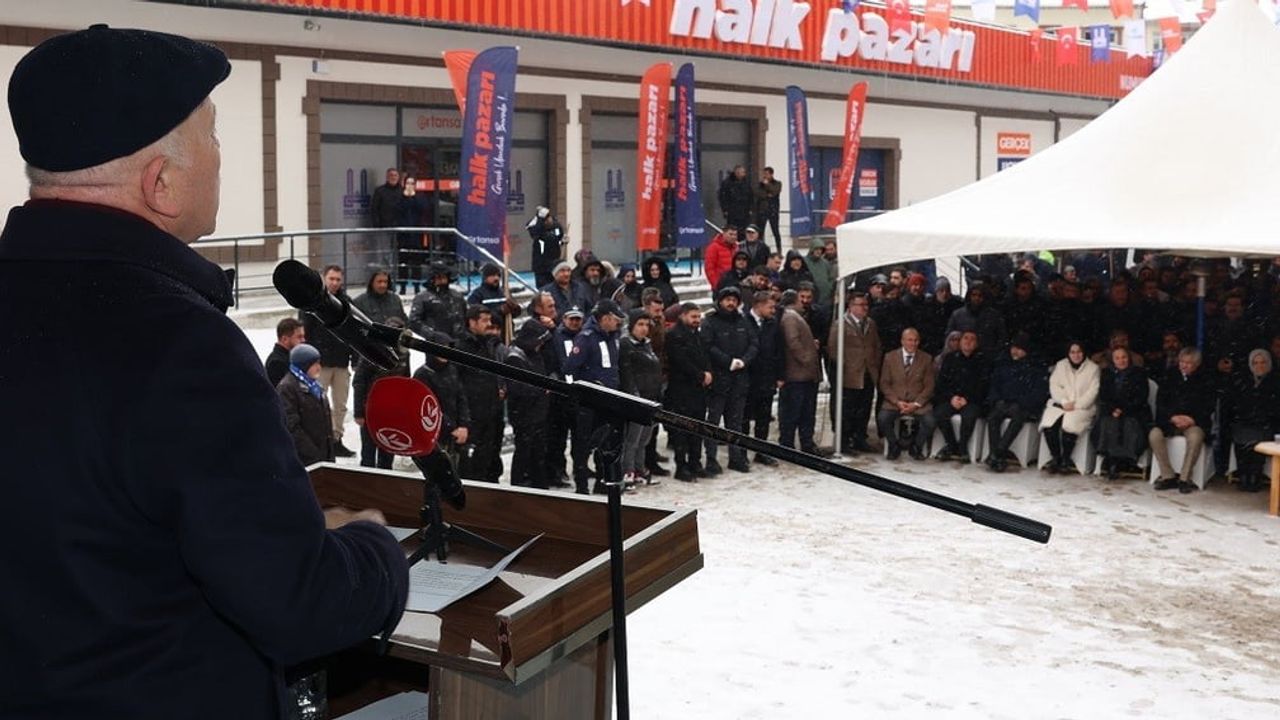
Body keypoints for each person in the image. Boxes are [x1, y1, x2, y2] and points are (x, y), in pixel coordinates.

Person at [0, 26, 408, 717]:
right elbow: (299, 604)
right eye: (213, 136)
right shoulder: (182, 344)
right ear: (160, 182)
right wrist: (372, 544)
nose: (221, 157)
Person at [564, 300, 628, 494]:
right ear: (605, 318)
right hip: (589, 402)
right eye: (615, 319)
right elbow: (570, 367)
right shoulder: (586, 338)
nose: (618, 323)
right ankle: (582, 486)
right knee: (583, 444)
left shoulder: (613, 338)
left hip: (608, 400)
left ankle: (603, 481)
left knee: (606, 442)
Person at [301, 264, 357, 458]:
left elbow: (354, 333)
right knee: (317, 403)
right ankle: (320, 440)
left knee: (340, 405)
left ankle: (336, 439)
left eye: (338, 279)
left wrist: (354, 358)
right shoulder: (312, 302)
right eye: (331, 279)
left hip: (341, 362)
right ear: (324, 278)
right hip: (319, 363)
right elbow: (306, 333)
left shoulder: (347, 303)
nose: (334, 283)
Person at [701, 286, 758, 473]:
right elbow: (708, 346)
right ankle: (711, 458)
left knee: (735, 422)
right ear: (720, 301)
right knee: (713, 421)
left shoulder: (743, 321)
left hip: (740, 379)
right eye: (727, 299)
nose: (731, 303)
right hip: (719, 380)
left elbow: (754, 343)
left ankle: (736, 457)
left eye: (734, 300)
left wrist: (744, 360)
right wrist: (727, 362)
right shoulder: (710, 321)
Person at [1149, 348, 1214, 493]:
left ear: (1196, 365)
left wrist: (1191, 419)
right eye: (1182, 362)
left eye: (1189, 363)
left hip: (1193, 421)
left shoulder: (1205, 379)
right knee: (1154, 434)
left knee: (1196, 437)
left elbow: (1208, 405)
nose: (1184, 365)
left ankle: (1185, 478)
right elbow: (1161, 402)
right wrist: (1172, 417)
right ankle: (1168, 476)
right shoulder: (1169, 376)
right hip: (1170, 420)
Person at [983, 333, 1048, 473]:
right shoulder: (1003, 363)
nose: (1015, 351)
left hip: (1024, 406)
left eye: (1019, 349)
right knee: (993, 417)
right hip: (1003, 402)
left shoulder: (1036, 367)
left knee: (1018, 417)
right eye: (1013, 348)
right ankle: (996, 455)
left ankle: (998, 452)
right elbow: (994, 385)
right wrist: (997, 400)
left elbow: (1039, 392)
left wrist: (1022, 403)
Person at [352, 317, 410, 470]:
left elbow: (406, 380)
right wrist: (359, 412)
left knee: (388, 452)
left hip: (392, 410)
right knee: (368, 453)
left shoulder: (405, 353)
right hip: (371, 408)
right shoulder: (372, 351)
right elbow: (359, 382)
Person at [456, 305, 506, 483]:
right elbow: (458, 383)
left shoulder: (488, 344)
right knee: (471, 465)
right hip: (472, 414)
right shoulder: (461, 347)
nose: (488, 324)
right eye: (484, 320)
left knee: (489, 457)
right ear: (472, 322)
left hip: (490, 412)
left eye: (489, 320)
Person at [828, 290, 882, 453]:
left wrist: (874, 363)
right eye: (861, 305)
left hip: (867, 372)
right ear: (851, 306)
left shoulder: (870, 324)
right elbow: (833, 349)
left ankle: (860, 438)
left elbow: (876, 345)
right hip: (849, 374)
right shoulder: (840, 324)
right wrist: (846, 364)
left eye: (866, 304)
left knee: (864, 408)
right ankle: (844, 441)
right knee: (847, 410)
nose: (865, 308)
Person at [665, 302, 713, 480]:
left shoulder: (697, 335)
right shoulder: (674, 335)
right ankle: (681, 466)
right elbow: (680, 361)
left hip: (698, 390)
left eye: (698, 317)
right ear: (683, 315)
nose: (697, 320)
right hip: (681, 389)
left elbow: (704, 356)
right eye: (693, 316)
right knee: (682, 430)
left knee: (698, 428)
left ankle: (695, 462)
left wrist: (708, 373)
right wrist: (700, 375)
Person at [1038, 341, 1100, 474]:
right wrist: (1064, 401)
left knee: (1070, 423)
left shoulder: (1093, 369)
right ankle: (1056, 457)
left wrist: (1076, 405)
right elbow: (1054, 385)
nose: (1076, 355)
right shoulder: (1061, 365)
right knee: (1049, 423)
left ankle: (1066, 459)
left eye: (1079, 352)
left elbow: (1093, 391)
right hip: (1061, 404)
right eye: (1072, 352)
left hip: (1083, 407)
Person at [505, 321, 554, 489]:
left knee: (538, 453)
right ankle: (520, 484)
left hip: (538, 412)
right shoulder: (515, 357)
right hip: (524, 414)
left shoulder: (534, 354)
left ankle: (539, 484)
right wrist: (541, 389)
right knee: (524, 452)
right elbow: (517, 388)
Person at [619, 309, 664, 487]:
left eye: (646, 325)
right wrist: (635, 397)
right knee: (632, 440)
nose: (644, 328)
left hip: (651, 399)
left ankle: (639, 469)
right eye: (640, 324)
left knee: (644, 440)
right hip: (637, 401)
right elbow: (627, 374)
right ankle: (628, 472)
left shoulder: (647, 345)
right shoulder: (626, 345)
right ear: (632, 326)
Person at [1094, 346, 1153, 480]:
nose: (1121, 361)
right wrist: (1113, 409)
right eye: (1117, 358)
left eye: (1124, 357)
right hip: (1112, 411)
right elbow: (1103, 396)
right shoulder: (1107, 373)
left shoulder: (1139, 373)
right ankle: (1111, 459)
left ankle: (1126, 460)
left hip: (1134, 411)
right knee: (1108, 423)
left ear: (1129, 358)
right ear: (1112, 360)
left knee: (1129, 424)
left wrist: (1123, 410)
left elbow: (1141, 396)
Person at [779, 290, 826, 455]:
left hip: (803, 375)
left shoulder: (793, 317)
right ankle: (788, 445)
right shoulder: (790, 317)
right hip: (797, 374)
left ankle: (805, 443)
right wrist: (807, 358)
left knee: (805, 412)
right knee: (794, 412)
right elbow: (793, 342)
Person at [877, 328, 936, 461]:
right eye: (910, 340)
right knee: (882, 419)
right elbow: (884, 384)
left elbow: (929, 386)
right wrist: (897, 402)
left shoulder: (926, 359)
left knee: (930, 421)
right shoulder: (890, 357)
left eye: (916, 340)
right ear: (902, 341)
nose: (913, 343)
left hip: (918, 403)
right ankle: (893, 445)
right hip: (895, 402)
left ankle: (916, 446)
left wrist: (916, 404)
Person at [1226, 349, 1280, 492]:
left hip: (1265, 423)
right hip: (1244, 421)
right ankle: (1244, 475)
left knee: (1258, 439)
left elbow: (1274, 408)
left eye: (1263, 363)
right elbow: (1235, 405)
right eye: (1255, 363)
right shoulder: (1243, 382)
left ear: (1269, 364)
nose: (1259, 366)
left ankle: (1255, 476)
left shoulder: (1275, 382)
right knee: (1241, 436)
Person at [932, 330, 989, 463]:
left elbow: (983, 386)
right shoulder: (950, 359)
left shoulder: (982, 361)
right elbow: (941, 383)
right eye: (965, 338)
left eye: (972, 339)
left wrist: (967, 399)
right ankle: (952, 445)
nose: (968, 342)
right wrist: (952, 397)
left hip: (972, 400)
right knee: (939, 414)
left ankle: (963, 448)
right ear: (960, 341)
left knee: (969, 416)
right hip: (952, 399)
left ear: (976, 343)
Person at [278, 343, 335, 466]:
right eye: (314, 364)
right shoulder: (287, 388)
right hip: (305, 460)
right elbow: (292, 427)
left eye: (319, 363)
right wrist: (313, 455)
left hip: (322, 457)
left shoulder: (315, 386)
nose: (319, 368)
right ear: (304, 365)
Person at [744, 291, 783, 465]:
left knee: (763, 418)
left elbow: (779, 350)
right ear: (759, 306)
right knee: (744, 418)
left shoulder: (772, 324)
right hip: (748, 378)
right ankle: (741, 452)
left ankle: (761, 451)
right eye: (770, 307)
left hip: (767, 378)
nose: (773, 310)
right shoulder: (743, 322)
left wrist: (780, 375)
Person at [412, 352, 470, 465]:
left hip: (455, 433)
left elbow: (461, 398)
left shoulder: (452, 371)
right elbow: (426, 407)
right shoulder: (422, 374)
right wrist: (450, 428)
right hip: (433, 433)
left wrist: (464, 425)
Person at [409, 262, 468, 343]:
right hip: (435, 343)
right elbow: (413, 321)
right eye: (439, 277)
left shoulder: (457, 296)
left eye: (444, 277)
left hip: (459, 340)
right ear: (432, 279)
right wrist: (432, 334)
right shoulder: (423, 297)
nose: (442, 280)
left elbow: (466, 317)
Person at [394, 174, 432, 293]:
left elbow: (424, 208)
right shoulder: (399, 197)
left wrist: (413, 197)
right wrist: (405, 197)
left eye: (412, 183)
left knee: (416, 263)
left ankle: (416, 286)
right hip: (403, 235)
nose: (409, 186)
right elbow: (397, 209)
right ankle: (402, 286)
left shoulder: (420, 197)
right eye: (408, 183)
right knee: (403, 262)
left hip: (416, 235)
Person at [527, 205, 567, 288]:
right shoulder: (537, 228)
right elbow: (533, 232)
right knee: (543, 288)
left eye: (549, 218)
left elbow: (559, 236)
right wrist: (539, 218)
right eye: (545, 219)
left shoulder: (556, 226)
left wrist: (563, 241)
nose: (549, 220)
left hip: (554, 263)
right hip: (541, 267)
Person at [265, 316, 306, 387]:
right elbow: (281, 391)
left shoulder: (291, 357)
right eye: (299, 337)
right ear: (285, 339)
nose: (303, 340)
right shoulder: (276, 363)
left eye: (303, 336)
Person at [754, 166, 783, 253]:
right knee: (760, 231)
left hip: (773, 210)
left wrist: (767, 185)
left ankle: (779, 250)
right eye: (764, 174)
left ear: (771, 174)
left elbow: (775, 191)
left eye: (767, 174)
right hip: (763, 210)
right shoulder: (760, 185)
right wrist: (767, 195)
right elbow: (758, 193)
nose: (765, 176)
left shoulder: (777, 183)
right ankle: (759, 249)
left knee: (775, 231)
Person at [718, 164, 753, 231]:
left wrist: (750, 208)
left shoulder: (746, 182)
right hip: (732, 211)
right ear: (737, 173)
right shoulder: (727, 183)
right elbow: (723, 197)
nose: (744, 174)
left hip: (744, 211)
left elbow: (750, 195)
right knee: (733, 228)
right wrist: (725, 209)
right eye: (742, 172)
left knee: (744, 229)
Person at [804, 238, 836, 308]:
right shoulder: (805, 262)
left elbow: (831, 278)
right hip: (810, 297)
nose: (819, 251)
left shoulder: (825, 263)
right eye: (816, 249)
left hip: (825, 299)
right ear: (812, 249)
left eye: (820, 249)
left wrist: (829, 288)